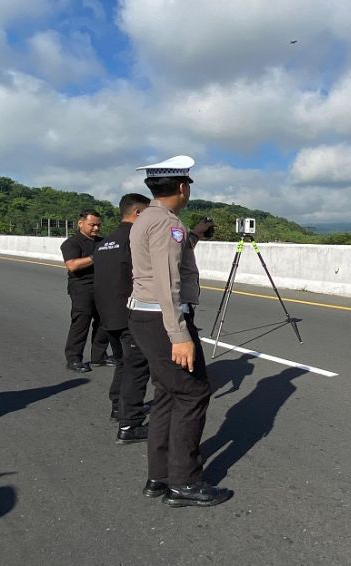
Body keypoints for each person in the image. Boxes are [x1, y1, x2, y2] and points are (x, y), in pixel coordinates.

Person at [127, 155, 230, 508]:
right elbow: (167, 281)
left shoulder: (146, 219)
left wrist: (194, 235)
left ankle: (159, 476)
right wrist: (179, 334)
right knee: (192, 393)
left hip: (145, 317)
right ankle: (184, 481)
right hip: (162, 318)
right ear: (183, 188)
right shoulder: (167, 224)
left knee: (168, 394)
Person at [94, 193, 153, 444]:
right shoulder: (134, 238)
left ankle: (118, 407)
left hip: (108, 314)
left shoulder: (106, 241)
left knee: (122, 363)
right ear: (138, 213)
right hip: (130, 313)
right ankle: (131, 422)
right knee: (136, 368)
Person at [60, 209, 115, 372]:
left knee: (104, 323)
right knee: (81, 323)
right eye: (92, 225)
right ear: (81, 223)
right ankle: (74, 358)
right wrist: (96, 256)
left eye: (98, 225)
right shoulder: (72, 243)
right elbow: (72, 265)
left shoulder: (104, 241)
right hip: (81, 288)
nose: (96, 229)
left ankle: (99, 356)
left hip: (103, 287)